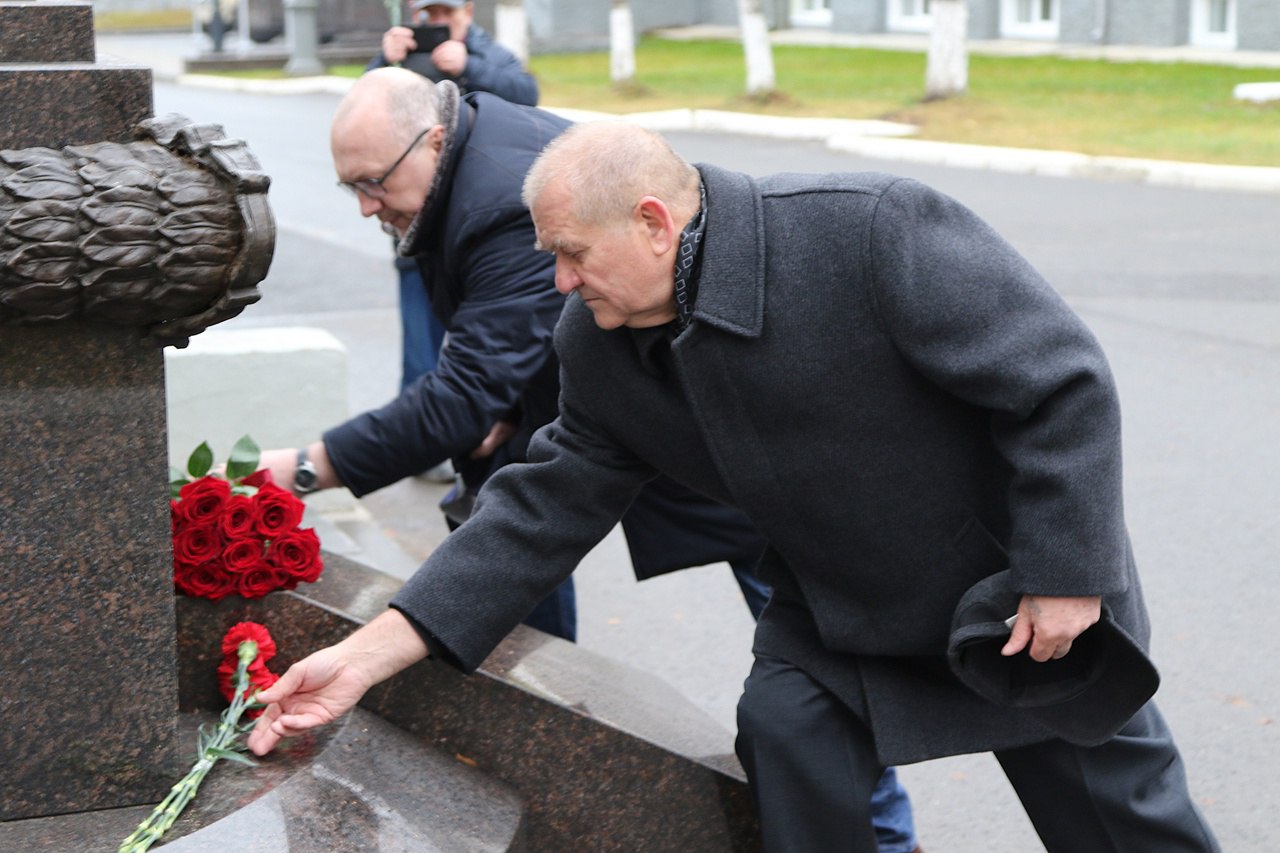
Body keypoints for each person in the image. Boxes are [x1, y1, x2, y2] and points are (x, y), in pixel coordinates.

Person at [259, 74, 923, 851]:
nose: (367, 206)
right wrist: (361, 656)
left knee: (839, 666)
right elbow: (528, 470)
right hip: (660, 459)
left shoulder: (501, 201)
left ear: (432, 140)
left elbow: (462, 395)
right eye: (352, 189)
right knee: (790, 707)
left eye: (373, 182)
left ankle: (886, 836)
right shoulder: (516, 221)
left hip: (805, 489)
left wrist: (304, 467)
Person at [367, 0, 538, 405]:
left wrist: (468, 67)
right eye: (430, 15)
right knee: (420, 355)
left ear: (468, 11)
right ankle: (420, 431)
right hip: (418, 229)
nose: (438, 22)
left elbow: (526, 94)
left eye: (447, 13)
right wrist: (383, 62)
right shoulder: (400, 57)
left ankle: (495, 427)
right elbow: (364, 113)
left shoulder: (488, 53)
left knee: (493, 346)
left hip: (484, 228)